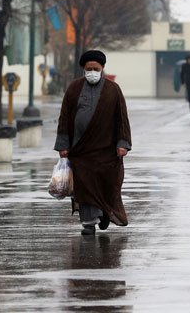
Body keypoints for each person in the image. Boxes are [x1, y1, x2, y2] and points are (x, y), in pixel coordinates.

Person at [54, 50, 132, 236]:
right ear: (83, 69)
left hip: (106, 149)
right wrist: (63, 145)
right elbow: (64, 118)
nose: (92, 72)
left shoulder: (113, 90)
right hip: (80, 149)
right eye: (88, 69)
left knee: (105, 182)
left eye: (95, 69)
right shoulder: (74, 89)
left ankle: (104, 212)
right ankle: (89, 222)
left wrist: (123, 143)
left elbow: (122, 119)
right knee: (85, 184)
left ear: (102, 68)